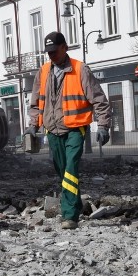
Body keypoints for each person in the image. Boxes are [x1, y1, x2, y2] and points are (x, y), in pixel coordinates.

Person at [27, 32, 111, 230]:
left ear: (65, 47)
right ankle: (76, 205)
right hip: (52, 129)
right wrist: (33, 125)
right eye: (48, 52)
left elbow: (99, 99)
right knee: (63, 171)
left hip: (76, 128)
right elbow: (37, 102)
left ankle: (69, 215)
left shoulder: (80, 69)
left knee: (70, 169)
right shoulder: (44, 71)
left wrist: (103, 125)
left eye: (54, 51)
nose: (51, 56)